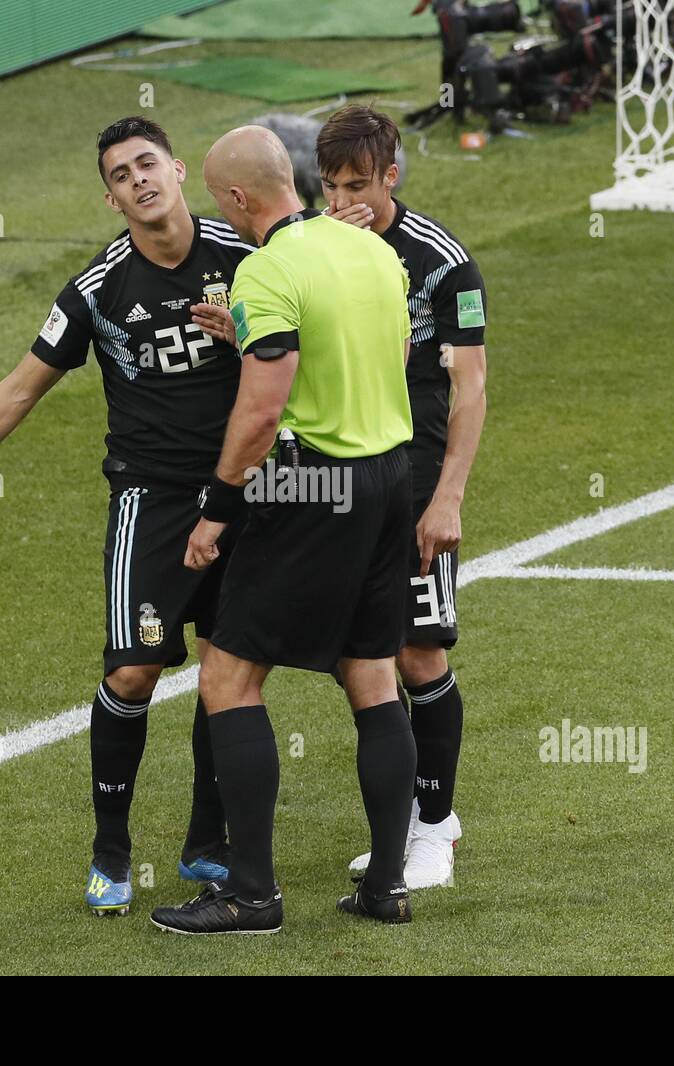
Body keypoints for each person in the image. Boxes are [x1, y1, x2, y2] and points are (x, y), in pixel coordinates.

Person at [0, 116, 252, 917]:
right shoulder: (98, 289)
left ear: (179, 170)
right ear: (112, 199)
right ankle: (111, 849)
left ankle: (206, 844)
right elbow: (19, 388)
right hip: (151, 501)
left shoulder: (249, 257)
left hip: (242, 491)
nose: (139, 179)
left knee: (230, 675)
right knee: (133, 672)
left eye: (148, 163)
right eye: (121, 174)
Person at [149, 125, 417, 936]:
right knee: (372, 675)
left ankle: (251, 894)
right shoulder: (373, 250)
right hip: (391, 475)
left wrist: (218, 510)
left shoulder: (264, 271)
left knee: (229, 677)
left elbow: (264, 408)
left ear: (235, 201)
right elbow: (392, 355)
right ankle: (387, 886)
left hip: (314, 484)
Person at [316, 105, 487, 890]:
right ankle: (400, 831)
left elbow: (471, 387)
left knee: (420, 651)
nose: (345, 200)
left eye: (359, 184)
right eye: (331, 186)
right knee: (365, 660)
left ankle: (434, 828)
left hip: (413, 486)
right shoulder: (314, 249)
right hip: (341, 481)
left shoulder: (442, 263)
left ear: (391, 176)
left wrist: (447, 497)